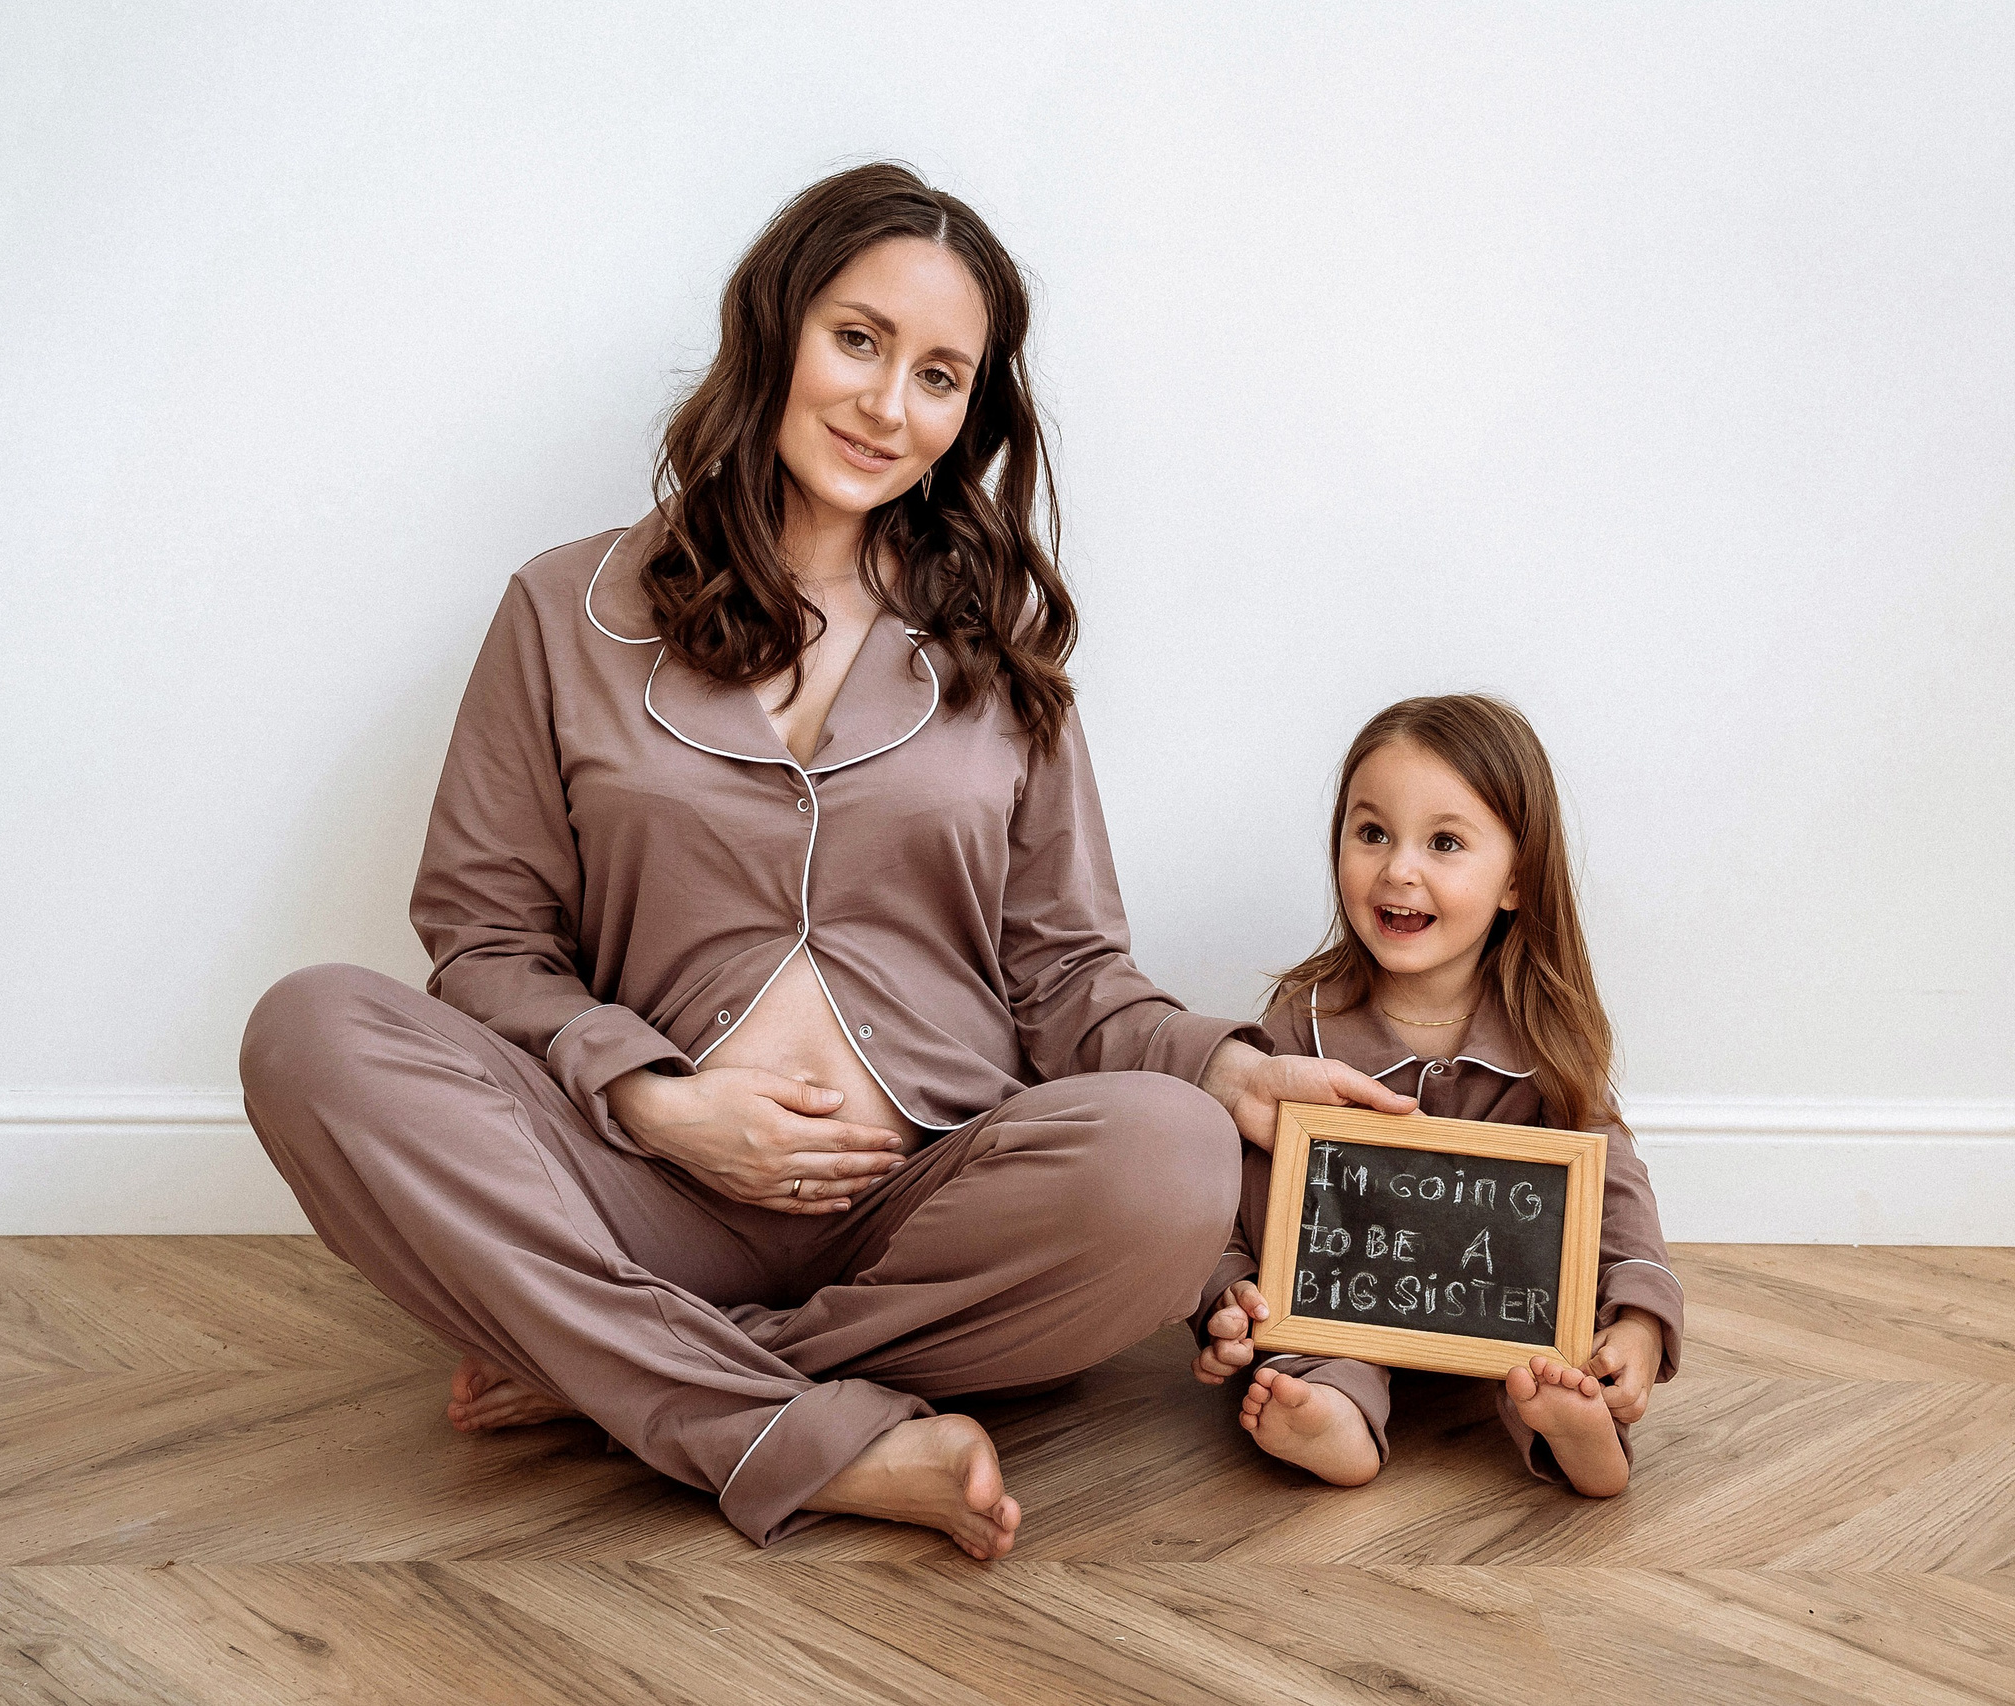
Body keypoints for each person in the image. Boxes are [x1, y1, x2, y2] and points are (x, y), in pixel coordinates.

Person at [237, 163, 1410, 1560]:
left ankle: (629, 1374)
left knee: (1171, 1157)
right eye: (857, 339)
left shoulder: (1001, 654)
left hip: (926, 1210)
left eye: (938, 375)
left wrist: (1224, 1066)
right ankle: (804, 1427)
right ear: (777, 328)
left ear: (972, 411)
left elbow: (1068, 974)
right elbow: (487, 941)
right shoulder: (565, 609)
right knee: (308, 1029)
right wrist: (657, 1099)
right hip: (637, 1184)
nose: (885, 405)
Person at [1190, 694, 1684, 1495]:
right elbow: (1236, 1193)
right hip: (1340, 1313)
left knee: (1559, 1353)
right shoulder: (1301, 1028)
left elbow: (1612, 1182)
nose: (1398, 870)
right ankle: (1332, 1417)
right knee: (1295, 1339)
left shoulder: (1543, 1035)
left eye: (1444, 842)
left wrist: (1641, 1316)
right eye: (1372, 832)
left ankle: (1575, 1435)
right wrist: (1229, 1292)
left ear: (1515, 881)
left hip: (1503, 1324)